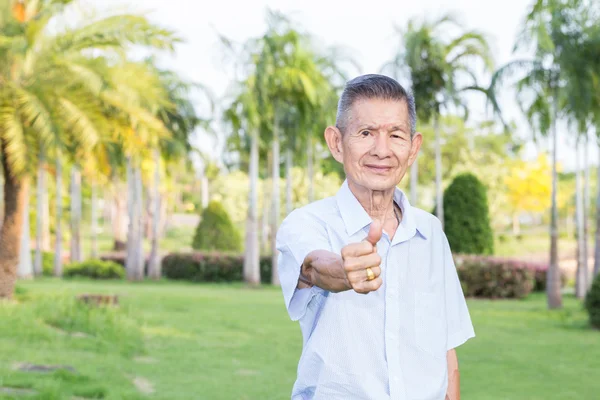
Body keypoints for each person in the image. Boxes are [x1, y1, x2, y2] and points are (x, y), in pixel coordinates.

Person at [276, 74, 475, 400]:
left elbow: (446, 351)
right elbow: (314, 266)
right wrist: (345, 270)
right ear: (336, 143)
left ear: (413, 148)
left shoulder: (431, 233)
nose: (381, 151)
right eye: (366, 133)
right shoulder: (305, 223)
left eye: (396, 135)